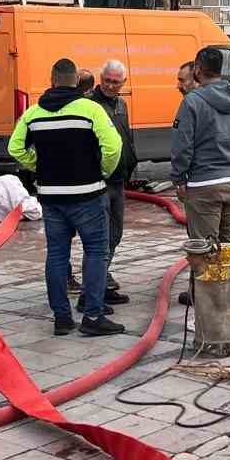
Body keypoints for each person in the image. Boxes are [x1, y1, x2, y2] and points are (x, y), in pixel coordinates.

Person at [7, 58, 124, 338]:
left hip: (51, 196)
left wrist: (39, 165)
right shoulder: (91, 109)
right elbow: (113, 146)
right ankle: (93, 316)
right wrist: (102, 172)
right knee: (96, 250)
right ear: (75, 81)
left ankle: (62, 318)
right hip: (88, 194)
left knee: (57, 254)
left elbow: (15, 148)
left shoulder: (33, 113)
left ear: (52, 79)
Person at [172, 46, 230, 330]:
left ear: (197, 69)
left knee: (205, 251)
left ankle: (207, 317)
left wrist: (179, 178)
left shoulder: (193, 101)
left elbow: (183, 145)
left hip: (203, 184)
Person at [88, 60, 135, 306]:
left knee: (115, 234)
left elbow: (126, 136)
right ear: (100, 78)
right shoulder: (90, 105)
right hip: (99, 182)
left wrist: (131, 164)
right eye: (106, 80)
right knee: (99, 237)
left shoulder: (121, 104)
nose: (109, 85)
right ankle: (94, 288)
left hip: (118, 180)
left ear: (123, 84)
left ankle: (101, 278)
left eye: (115, 82)